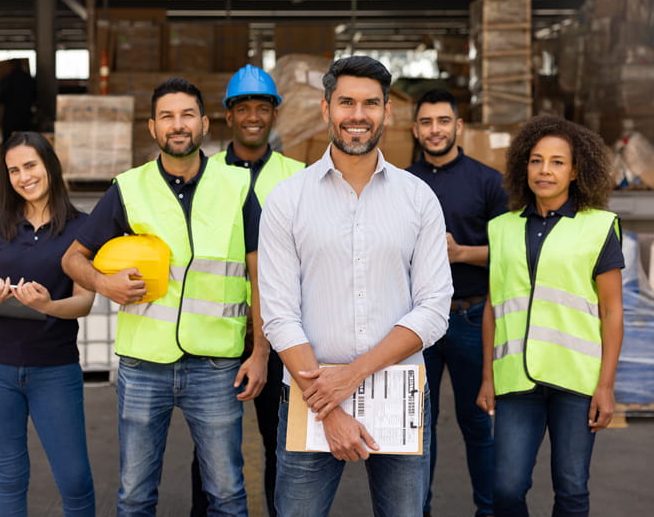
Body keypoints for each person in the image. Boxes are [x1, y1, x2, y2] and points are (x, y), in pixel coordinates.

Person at [61, 77, 267, 516]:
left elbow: (262, 275)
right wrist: (103, 283)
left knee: (228, 494)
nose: (178, 125)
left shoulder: (237, 186)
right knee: (134, 495)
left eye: (187, 115)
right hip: (143, 366)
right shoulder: (128, 188)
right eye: (168, 116)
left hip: (216, 365)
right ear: (152, 128)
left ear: (206, 124)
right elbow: (73, 259)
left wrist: (261, 352)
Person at [259, 55, 453, 516]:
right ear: (326, 109)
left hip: (398, 393)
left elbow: (433, 308)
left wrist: (352, 374)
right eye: (346, 102)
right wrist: (330, 406)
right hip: (311, 395)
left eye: (370, 103)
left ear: (387, 112)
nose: (358, 115)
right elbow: (279, 315)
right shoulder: (288, 200)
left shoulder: (418, 198)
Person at [476, 115, 624, 517]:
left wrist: (606, 386)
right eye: (537, 160)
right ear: (524, 165)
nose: (545, 170)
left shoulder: (599, 227)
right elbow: (493, 305)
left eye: (557, 162)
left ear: (576, 171)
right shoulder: (501, 229)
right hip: (515, 381)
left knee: (572, 489)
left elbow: (611, 311)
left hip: (576, 380)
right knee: (505, 489)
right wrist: (488, 376)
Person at [0, 131, 95, 516]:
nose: (24, 177)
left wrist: (49, 305)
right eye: (14, 170)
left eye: (31, 166)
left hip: (54, 366)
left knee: (75, 478)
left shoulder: (81, 228)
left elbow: (84, 302)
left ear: (49, 165)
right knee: (9, 475)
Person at [190, 64, 304, 517]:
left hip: (283, 337)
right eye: (243, 108)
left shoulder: (300, 177)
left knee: (283, 445)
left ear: (274, 115)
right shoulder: (205, 173)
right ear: (228, 117)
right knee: (210, 448)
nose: (253, 115)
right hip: (218, 333)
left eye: (262, 107)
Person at [407, 88, 507, 517]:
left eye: (443, 121)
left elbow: (512, 253)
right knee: (416, 430)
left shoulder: (488, 182)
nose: (435, 130)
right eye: (426, 122)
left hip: (471, 317)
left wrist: (461, 253)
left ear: (458, 126)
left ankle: (488, 510)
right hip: (415, 326)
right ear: (415, 129)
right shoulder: (401, 183)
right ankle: (418, 509)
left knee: (478, 426)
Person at [0, 58, 36, 143]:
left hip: (11, 116)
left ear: (11, 66)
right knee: (25, 141)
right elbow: (35, 97)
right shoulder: (29, 79)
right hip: (25, 117)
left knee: (9, 141)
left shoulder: (6, 79)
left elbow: (0, 98)